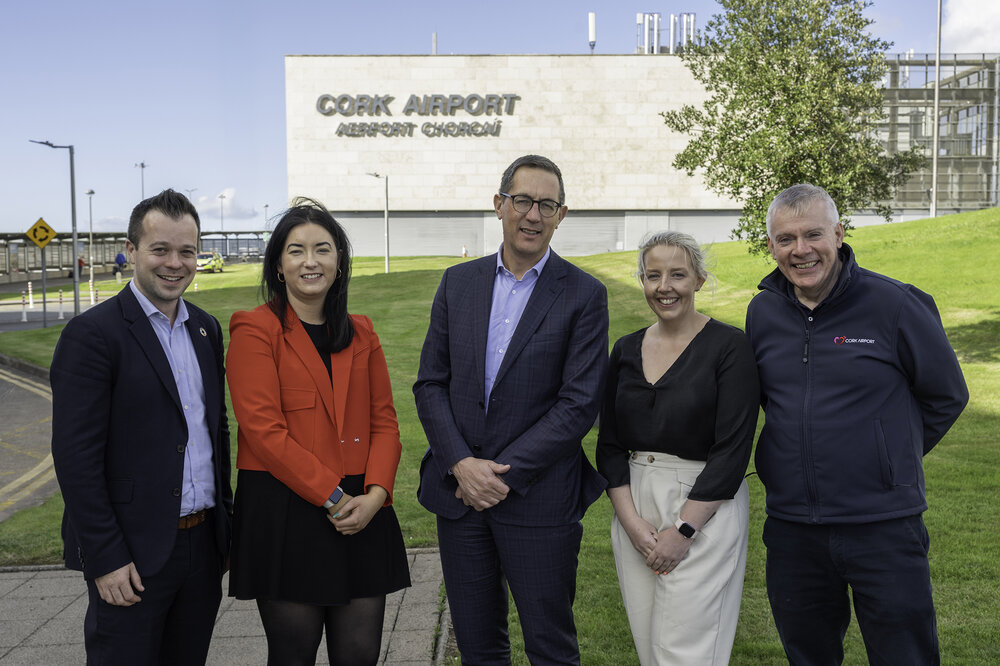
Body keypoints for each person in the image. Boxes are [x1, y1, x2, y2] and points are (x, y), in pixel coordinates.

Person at [745, 183, 969, 665]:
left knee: (904, 656)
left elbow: (947, 395)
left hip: (883, 526)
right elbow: (767, 401)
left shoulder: (896, 305)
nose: (800, 250)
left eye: (813, 235)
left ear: (839, 235)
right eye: (785, 239)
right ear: (771, 247)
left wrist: (888, 456)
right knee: (808, 655)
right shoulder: (762, 313)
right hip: (793, 529)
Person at [413, 154, 609, 665]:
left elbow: (578, 403)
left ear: (561, 215)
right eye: (523, 201)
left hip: (539, 500)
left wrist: (498, 474)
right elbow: (430, 383)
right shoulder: (458, 283)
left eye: (547, 205)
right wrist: (460, 464)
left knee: (551, 647)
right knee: (479, 649)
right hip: (460, 498)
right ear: (500, 205)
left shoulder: (585, 295)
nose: (533, 215)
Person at [50, 189, 232, 664]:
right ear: (131, 251)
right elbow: (75, 460)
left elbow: (217, 432)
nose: (175, 263)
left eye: (187, 251)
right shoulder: (92, 335)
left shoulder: (206, 329)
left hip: (202, 547)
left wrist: (224, 534)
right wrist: (106, 556)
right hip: (131, 553)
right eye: (160, 249)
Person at [225, 199, 410, 666]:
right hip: (286, 509)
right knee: (292, 655)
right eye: (296, 251)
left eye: (323, 249)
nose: (311, 261)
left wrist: (376, 495)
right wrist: (333, 496)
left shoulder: (362, 333)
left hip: (362, 510)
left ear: (339, 262)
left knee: (360, 654)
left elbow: (385, 423)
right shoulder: (254, 329)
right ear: (279, 266)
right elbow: (263, 431)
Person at [596, 231, 759, 665]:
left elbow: (733, 448)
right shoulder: (626, 349)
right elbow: (609, 444)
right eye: (653, 276)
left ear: (699, 281)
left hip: (705, 506)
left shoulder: (730, 347)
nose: (664, 286)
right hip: (635, 504)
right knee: (651, 649)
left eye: (677, 274)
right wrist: (631, 523)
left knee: (686, 650)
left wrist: (684, 529)